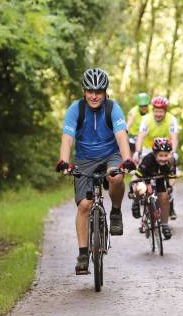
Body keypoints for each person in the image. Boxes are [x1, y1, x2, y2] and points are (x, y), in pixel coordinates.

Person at [56, 68, 136, 275]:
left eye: (98, 91)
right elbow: (67, 138)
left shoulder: (112, 108)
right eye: (90, 91)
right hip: (85, 160)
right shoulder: (76, 109)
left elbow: (121, 136)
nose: (94, 95)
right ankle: (83, 254)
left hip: (111, 155)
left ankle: (116, 211)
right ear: (84, 92)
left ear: (105, 92)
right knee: (84, 205)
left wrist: (127, 160)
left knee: (116, 176)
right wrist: (64, 162)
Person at [135, 96, 179, 219]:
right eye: (156, 111)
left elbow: (174, 137)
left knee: (170, 172)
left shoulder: (172, 119)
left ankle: (169, 199)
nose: (158, 114)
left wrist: (173, 153)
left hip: (165, 150)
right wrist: (138, 152)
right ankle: (141, 198)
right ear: (152, 110)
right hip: (149, 150)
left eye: (161, 111)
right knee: (142, 171)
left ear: (165, 111)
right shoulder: (146, 119)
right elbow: (140, 137)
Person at [131, 138, 176, 240]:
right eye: (160, 155)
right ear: (155, 155)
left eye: (166, 155)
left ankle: (164, 225)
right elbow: (137, 176)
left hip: (160, 178)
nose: (163, 158)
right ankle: (136, 203)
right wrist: (134, 189)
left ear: (170, 154)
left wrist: (169, 187)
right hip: (145, 177)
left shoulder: (171, 161)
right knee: (140, 188)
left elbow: (172, 178)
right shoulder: (147, 159)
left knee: (164, 197)